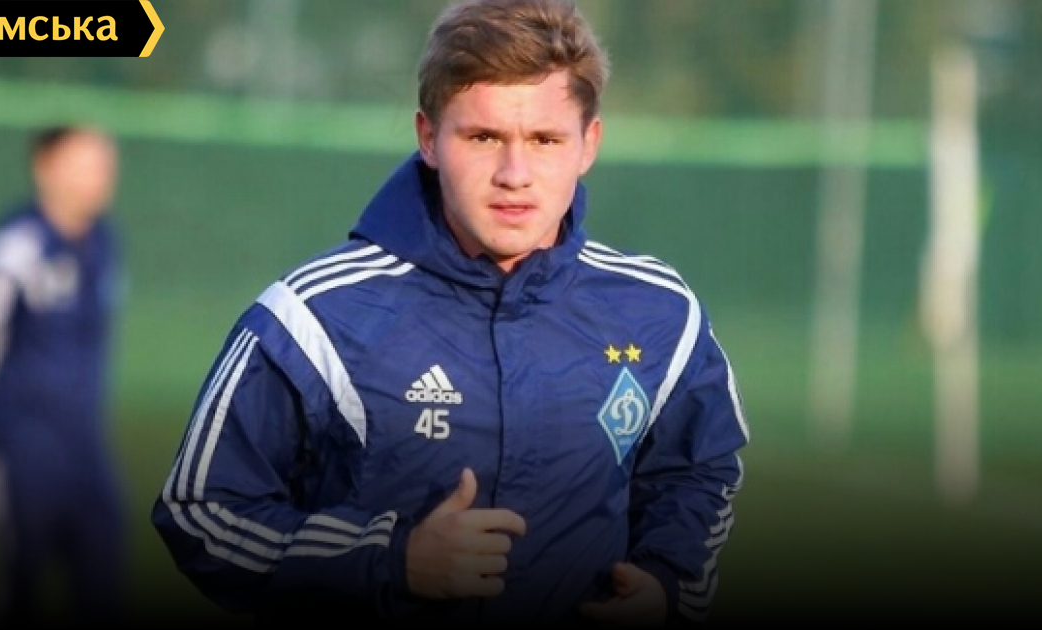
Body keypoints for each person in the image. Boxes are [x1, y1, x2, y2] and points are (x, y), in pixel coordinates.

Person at [150, 0, 749, 627]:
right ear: (428, 138)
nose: (515, 174)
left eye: (545, 140)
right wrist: (391, 559)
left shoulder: (659, 312)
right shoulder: (312, 318)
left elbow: (696, 471)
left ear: (588, 144)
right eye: (484, 137)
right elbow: (201, 513)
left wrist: (667, 581)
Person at [0, 125, 127, 625]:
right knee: (18, 580)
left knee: (103, 575)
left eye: (105, 163)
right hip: (20, 451)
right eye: (86, 163)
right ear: (46, 169)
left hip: (86, 450)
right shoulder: (16, 246)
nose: (101, 175)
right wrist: (5, 425)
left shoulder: (105, 243)